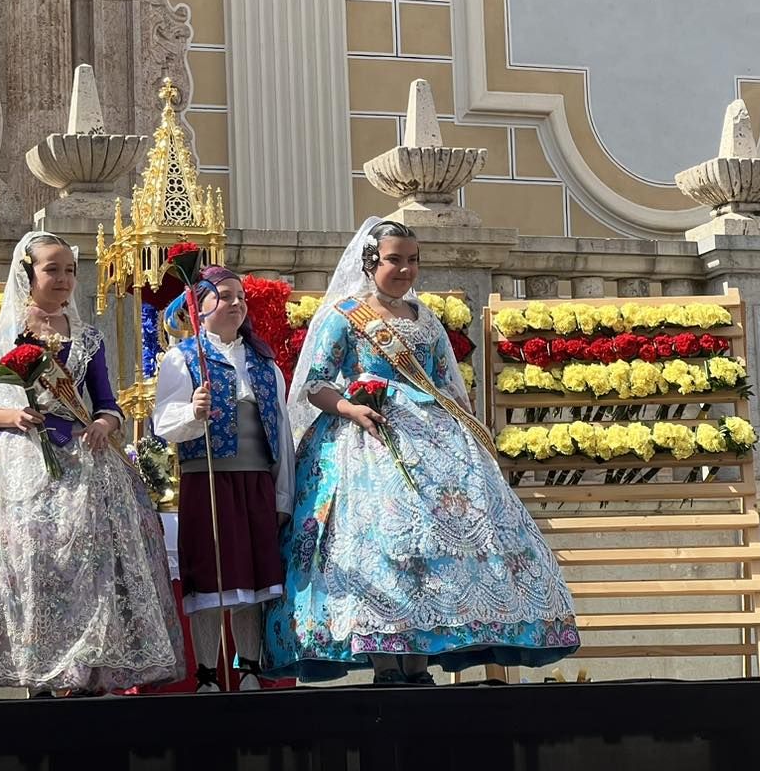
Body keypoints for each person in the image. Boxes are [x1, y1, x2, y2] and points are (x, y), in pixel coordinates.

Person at [264, 218, 579, 684]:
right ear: (370, 262)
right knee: (383, 543)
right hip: (366, 441)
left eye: (412, 260)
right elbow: (315, 384)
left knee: (436, 547)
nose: (405, 270)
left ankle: (418, 662)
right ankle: (385, 661)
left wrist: (466, 437)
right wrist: (351, 408)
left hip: (433, 440)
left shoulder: (425, 318)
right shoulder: (345, 315)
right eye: (394, 260)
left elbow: (446, 385)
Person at [0, 231, 184, 694]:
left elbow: (107, 403)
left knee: (88, 569)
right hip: (14, 464)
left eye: (70, 271)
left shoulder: (87, 337)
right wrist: (13, 416)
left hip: (82, 464)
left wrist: (103, 424)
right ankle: (33, 678)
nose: (63, 279)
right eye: (52, 270)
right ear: (28, 274)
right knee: (24, 567)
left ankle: (80, 674)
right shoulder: (4, 333)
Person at [153, 266, 293, 691]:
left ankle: (248, 667)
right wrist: (192, 412)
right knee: (210, 582)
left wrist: (282, 494)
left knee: (252, 583)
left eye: (240, 297)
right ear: (200, 306)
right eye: (225, 296)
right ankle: (208, 674)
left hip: (255, 483)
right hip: (209, 482)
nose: (236, 303)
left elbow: (281, 432)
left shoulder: (264, 363)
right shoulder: (183, 358)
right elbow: (163, 423)